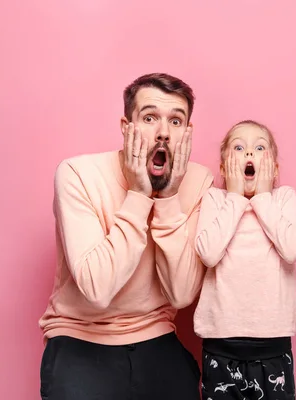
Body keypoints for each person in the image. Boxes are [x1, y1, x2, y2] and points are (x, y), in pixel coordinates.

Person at [38, 72, 213, 400]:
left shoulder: (199, 181)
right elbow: (97, 290)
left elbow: (181, 294)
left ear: (187, 133)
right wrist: (138, 195)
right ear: (126, 127)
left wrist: (170, 197)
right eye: (149, 118)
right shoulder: (77, 175)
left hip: (157, 336)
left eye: (176, 122)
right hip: (80, 337)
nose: (163, 132)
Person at [193, 120, 296, 399]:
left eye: (259, 147)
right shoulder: (216, 200)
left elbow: (292, 249)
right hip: (221, 344)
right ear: (223, 168)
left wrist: (264, 196)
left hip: (273, 346)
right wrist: (234, 196)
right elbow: (208, 253)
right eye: (239, 148)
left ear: (274, 168)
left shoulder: (282, 199)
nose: (249, 155)